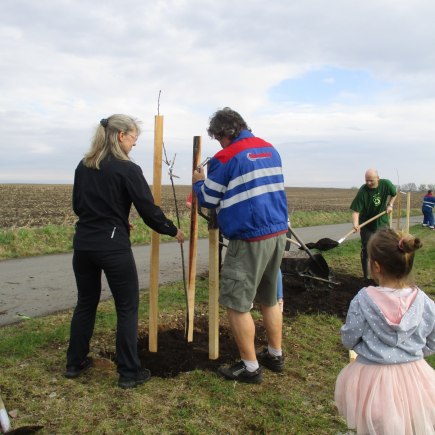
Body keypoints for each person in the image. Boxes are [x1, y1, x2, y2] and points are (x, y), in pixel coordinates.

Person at [65, 114, 184, 389]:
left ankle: (74, 363)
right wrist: (171, 229)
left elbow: (79, 206)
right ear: (120, 136)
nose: (134, 144)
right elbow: (148, 210)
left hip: (83, 245)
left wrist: (115, 218)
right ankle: (129, 372)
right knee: (127, 306)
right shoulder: (127, 168)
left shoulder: (83, 166)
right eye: (133, 138)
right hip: (112, 247)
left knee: (85, 303)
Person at [192, 107, 288, 384]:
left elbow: (209, 198)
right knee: (270, 299)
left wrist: (199, 182)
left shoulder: (226, 156)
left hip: (249, 238)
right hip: (278, 233)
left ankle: (249, 367)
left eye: (218, 138)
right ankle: (275, 354)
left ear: (224, 133)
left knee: (237, 304)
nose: (218, 144)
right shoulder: (271, 150)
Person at [334, 228, 435, 434]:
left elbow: (350, 338)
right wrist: (413, 353)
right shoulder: (424, 302)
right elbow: (433, 340)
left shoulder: (363, 299)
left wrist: (363, 348)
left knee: (375, 427)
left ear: (376, 266)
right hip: (415, 378)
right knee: (410, 426)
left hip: (371, 380)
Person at [350, 168, 397, 280]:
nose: (368, 183)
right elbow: (356, 211)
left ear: (378, 178)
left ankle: (384, 275)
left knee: (384, 248)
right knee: (367, 249)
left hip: (382, 222)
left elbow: (394, 194)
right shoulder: (363, 191)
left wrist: (390, 204)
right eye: (366, 180)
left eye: (371, 180)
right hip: (366, 225)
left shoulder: (386, 184)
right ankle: (366, 277)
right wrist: (356, 224)